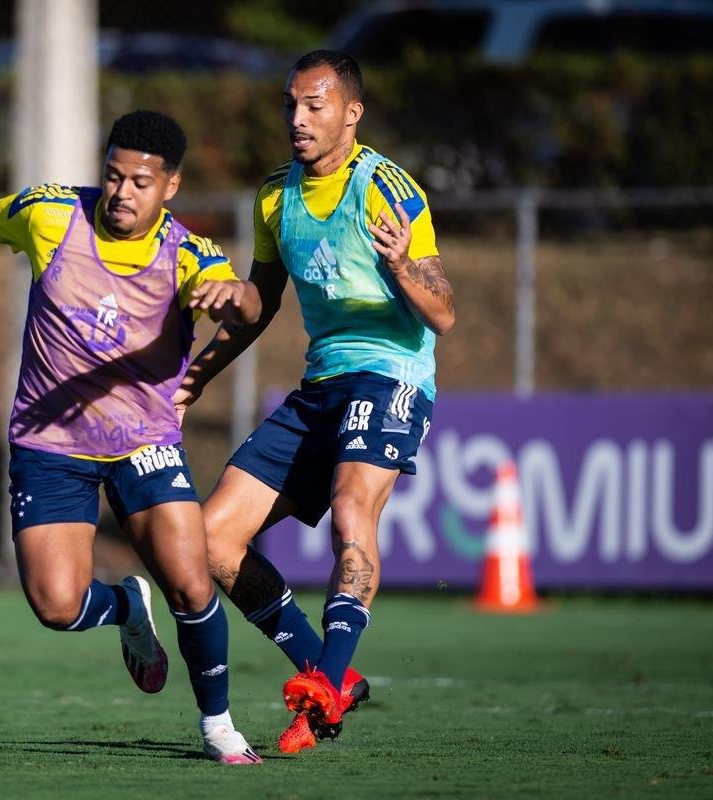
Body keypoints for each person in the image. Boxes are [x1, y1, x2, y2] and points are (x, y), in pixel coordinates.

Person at [0, 110, 263, 765]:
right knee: (55, 604)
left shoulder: (187, 253)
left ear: (170, 187)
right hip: (49, 446)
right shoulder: (50, 212)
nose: (123, 192)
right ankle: (126, 606)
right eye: (114, 176)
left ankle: (219, 727)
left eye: (141, 182)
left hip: (143, 442)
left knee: (191, 585)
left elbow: (247, 306)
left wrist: (234, 291)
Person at [174, 50, 456, 753]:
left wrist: (399, 265)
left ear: (351, 113)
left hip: (390, 377)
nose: (297, 119)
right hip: (320, 385)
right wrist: (202, 371)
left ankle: (322, 687)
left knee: (352, 512)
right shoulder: (276, 194)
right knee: (211, 540)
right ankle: (330, 676)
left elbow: (444, 313)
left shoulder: (387, 189)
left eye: (315, 106)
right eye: (290, 105)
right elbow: (261, 302)